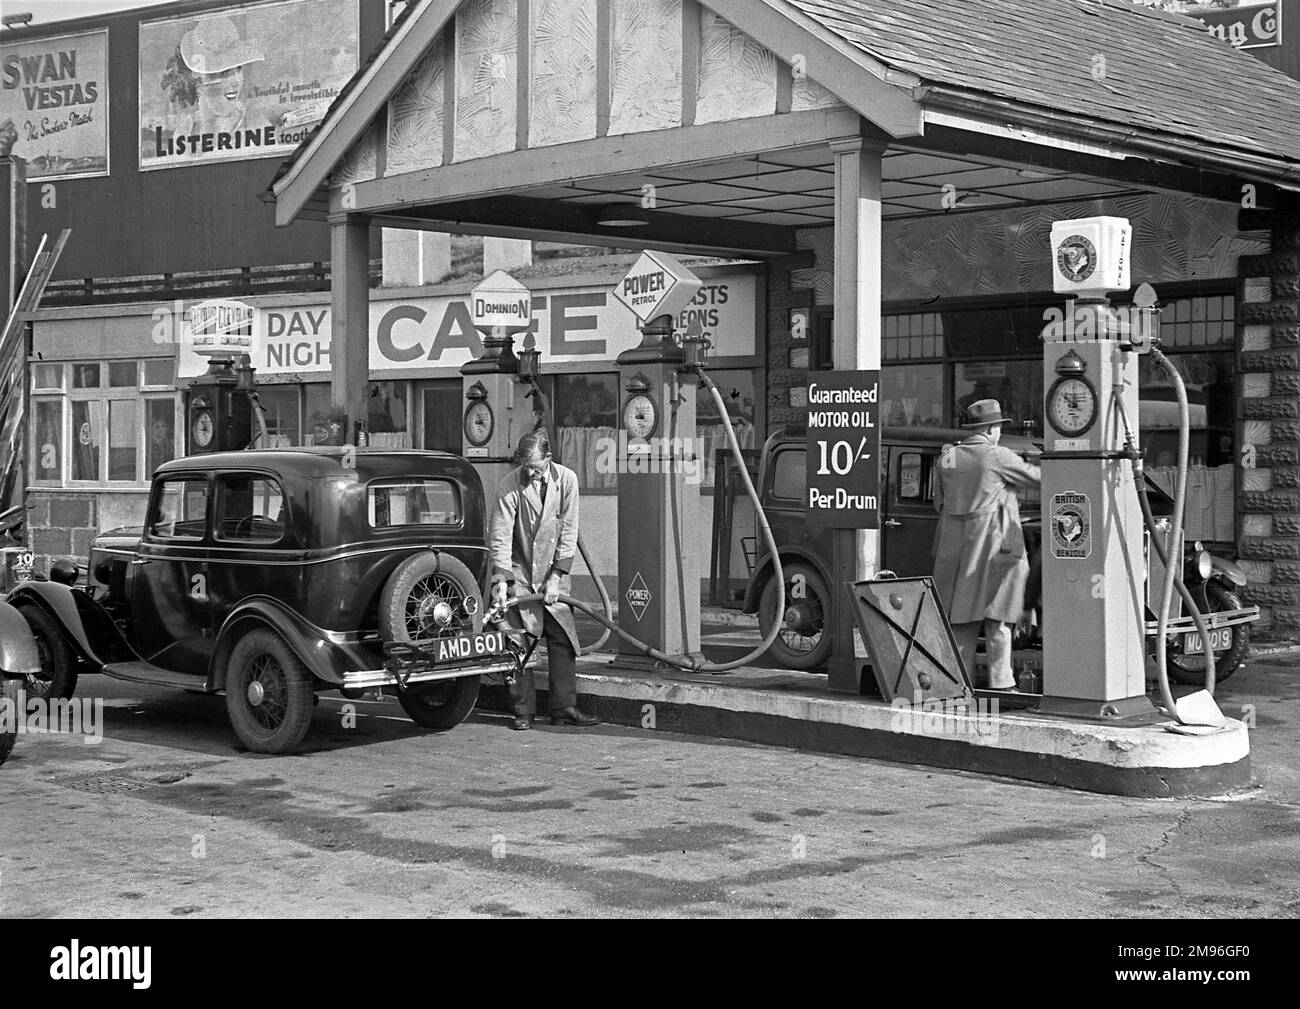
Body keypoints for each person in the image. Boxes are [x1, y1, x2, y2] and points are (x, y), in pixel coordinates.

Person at [489, 430, 599, 731]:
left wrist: (557, 577)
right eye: (525, 466)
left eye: (535, 466)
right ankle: (523, 711)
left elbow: (569, 532)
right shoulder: (509, 485)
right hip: (519, 574)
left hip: (554, 574)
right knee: (517, 642)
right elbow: (499, 537)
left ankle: (564, 708)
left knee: (561, 641)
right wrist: (501, 580)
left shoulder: (567, 480)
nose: (530, 472)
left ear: (548, 458)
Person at [932, 399, 1041, 691]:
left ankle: (959, 683)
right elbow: (1038, 479)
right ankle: (1001, 684)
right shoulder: (997, 456)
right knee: (999, 621)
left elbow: (938, 504)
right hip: (995, 551)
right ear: (992, 428)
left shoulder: (946, 458)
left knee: (962, 622)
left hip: (956, 554)